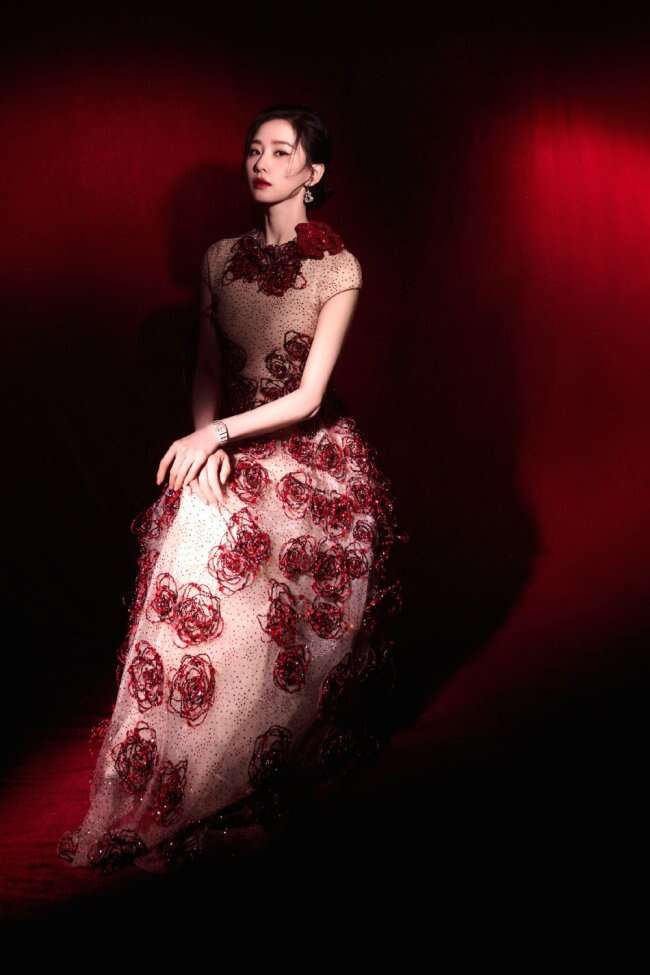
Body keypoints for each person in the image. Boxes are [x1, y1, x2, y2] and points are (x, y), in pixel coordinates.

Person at [57, 103, 408, 874]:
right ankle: (177, 766)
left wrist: (214, 436)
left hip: (313, 456)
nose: (261, 161)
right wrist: (208, 444)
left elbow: (309, 398)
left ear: (313, 172)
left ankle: (245, 762)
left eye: (280, 151)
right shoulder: (220, 258)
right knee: (199, 518)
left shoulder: (339, 268)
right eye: (254, 148)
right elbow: (208, 368)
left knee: (253, 553)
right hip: (228, 440)